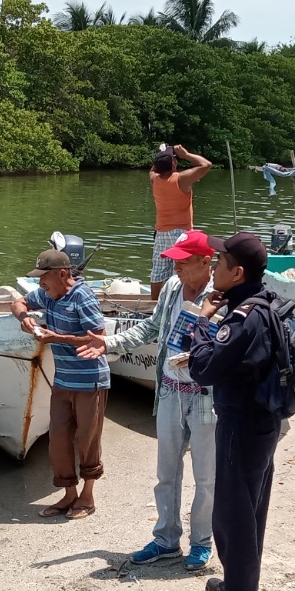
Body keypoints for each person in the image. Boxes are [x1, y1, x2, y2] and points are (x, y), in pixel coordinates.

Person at [85, 229, 218, 571]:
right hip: (171, 391)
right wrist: (109, 343)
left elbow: (231, 346)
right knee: (166, 473)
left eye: (183, 263)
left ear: (207, 262)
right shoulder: (173, 289)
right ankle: (166, 540)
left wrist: (202, 356)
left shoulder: (222, 294)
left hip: (208, 399)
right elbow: (150, 328)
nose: (176, 269)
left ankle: (201, 542)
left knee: (207, 478)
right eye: (174, 262)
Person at [184, 231, 285, 591]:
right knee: (251, 508)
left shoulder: (243, 318)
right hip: (263, 421)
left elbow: (204, 367)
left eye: (219, 263)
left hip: (242, 424)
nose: (213, 269)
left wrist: (201, 320)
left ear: (237, 271)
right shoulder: (266, 302)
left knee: (233, 514)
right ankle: (238, 586)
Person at [11, 249, 109, 520]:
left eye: (44, 278)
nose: (40, 284)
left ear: (62, 273)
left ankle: (87, 495)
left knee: (88, 439)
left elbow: (98, 339)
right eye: (39, 279)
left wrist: (56, 337)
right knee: (58, 439)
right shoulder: (48, 294)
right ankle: (68, 494)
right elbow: (18, 302)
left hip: (90, 381)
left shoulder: (82, 297)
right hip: (63, 381)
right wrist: (25, 318)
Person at [150, 144, 213, 299]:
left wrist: (162, 154)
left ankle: (154, 304)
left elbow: (152, 170)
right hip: (181, 233)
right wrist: (185, 154)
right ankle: (179, 301)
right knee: (181, 270)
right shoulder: (181, 179)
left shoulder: (154, 180)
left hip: (161, 232)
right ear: (174, 163)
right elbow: (206, 164)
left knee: (157, 271)